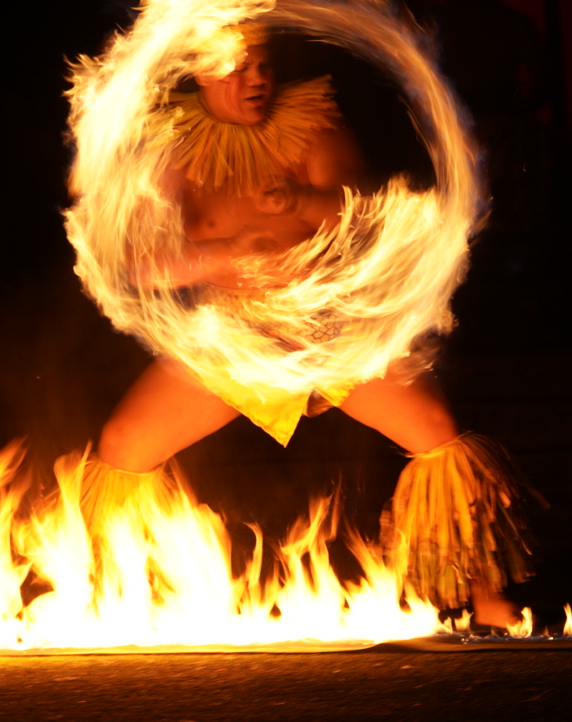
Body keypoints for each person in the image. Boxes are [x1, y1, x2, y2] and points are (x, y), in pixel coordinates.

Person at [81, 33, 534, 624]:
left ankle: (492, 603)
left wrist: (300, 199)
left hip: (328, 327)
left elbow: (366, 210)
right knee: (124, 446)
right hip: (233, 336)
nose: (257, 78)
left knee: (436, 431)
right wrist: (222, 259)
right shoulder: (169, 149)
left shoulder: (311, 123)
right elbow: (139, 263)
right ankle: (105, 599)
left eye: (265, 65)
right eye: (238, 68)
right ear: (201, 72)